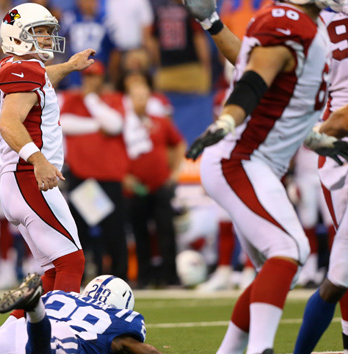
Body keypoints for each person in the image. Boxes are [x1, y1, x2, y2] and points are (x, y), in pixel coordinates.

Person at [183, 0, 348, 353]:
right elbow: (255, 77)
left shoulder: (312, 35)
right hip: (241, 158)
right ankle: (261, 349)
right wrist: (227, 119)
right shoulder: (287, 20)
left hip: (258, 162)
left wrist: (321, 140)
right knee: (291, 247)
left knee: (274, 273)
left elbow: (289, 102)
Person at [0, 2, 94, 302]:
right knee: (71, 262)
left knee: (51, 270)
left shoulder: (15, 66)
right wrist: (38, 160)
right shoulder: (24, 68)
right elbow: (9, 122)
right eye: (39, 31)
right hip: (28, 178)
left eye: (49, 31)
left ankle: (17, 334)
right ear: (17, 35)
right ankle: (64, 335)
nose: (48, 37)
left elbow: (41, 81)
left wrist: (71, 66)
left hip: (16, 182)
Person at [0, 273, 160, 354]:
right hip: (54, 338)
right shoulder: (121, 320)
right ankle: (33, 306)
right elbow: (137, 348)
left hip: (15, 331)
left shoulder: (61, 295)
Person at [294, 9, 348, 354]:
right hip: (338, 150)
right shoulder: (308, 26)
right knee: (337, 281)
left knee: (338, 280)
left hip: (332, 147)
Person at [60, 60, 128, 280]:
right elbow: (64, 122)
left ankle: (118, 277)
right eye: (87, 77)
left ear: (102, 78)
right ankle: (80, 277)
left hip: (108, 177)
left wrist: (91, 100)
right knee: (81, 232)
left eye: (94, 76)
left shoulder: (112, 99)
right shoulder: (72, 99)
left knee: (113, 231)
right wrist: (96, 125)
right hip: (83, 176)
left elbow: (115, 125)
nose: (90, 81)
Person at [123, 72, 185, 288]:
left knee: (166, 231)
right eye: (136, 96)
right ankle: (144, 277)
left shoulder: (160, 121)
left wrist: (175, 172)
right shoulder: (123, 124)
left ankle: (171, 277)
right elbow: (114, 152)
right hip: (134, 188)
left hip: (160, 184)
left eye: (144, 96)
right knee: (140, 235)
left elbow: (178, 143)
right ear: (129, 99)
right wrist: (123, 176)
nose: (140, 100)